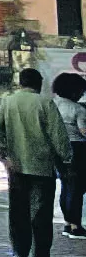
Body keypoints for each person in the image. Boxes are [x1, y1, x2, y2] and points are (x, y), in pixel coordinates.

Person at [0, 67, 72, 257]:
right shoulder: (45, 103)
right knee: (41, 212)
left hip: (16, 166)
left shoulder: (8, 102)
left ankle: (19, 250)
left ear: (20, 82)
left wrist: (4, 156)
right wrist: (67, 159)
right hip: (42, 165)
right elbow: (58, 134)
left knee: (18, 210)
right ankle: (40, 254)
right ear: (39, 83)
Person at [52, 72, 86, 239]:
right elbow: (84, 131)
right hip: (77, 149)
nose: (82, 94)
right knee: (77, 187)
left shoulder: (53, 105)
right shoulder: (77, 109)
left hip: (58, 149)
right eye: (81, 90)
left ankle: (67, 223)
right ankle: (75, 225)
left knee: (66, 186)